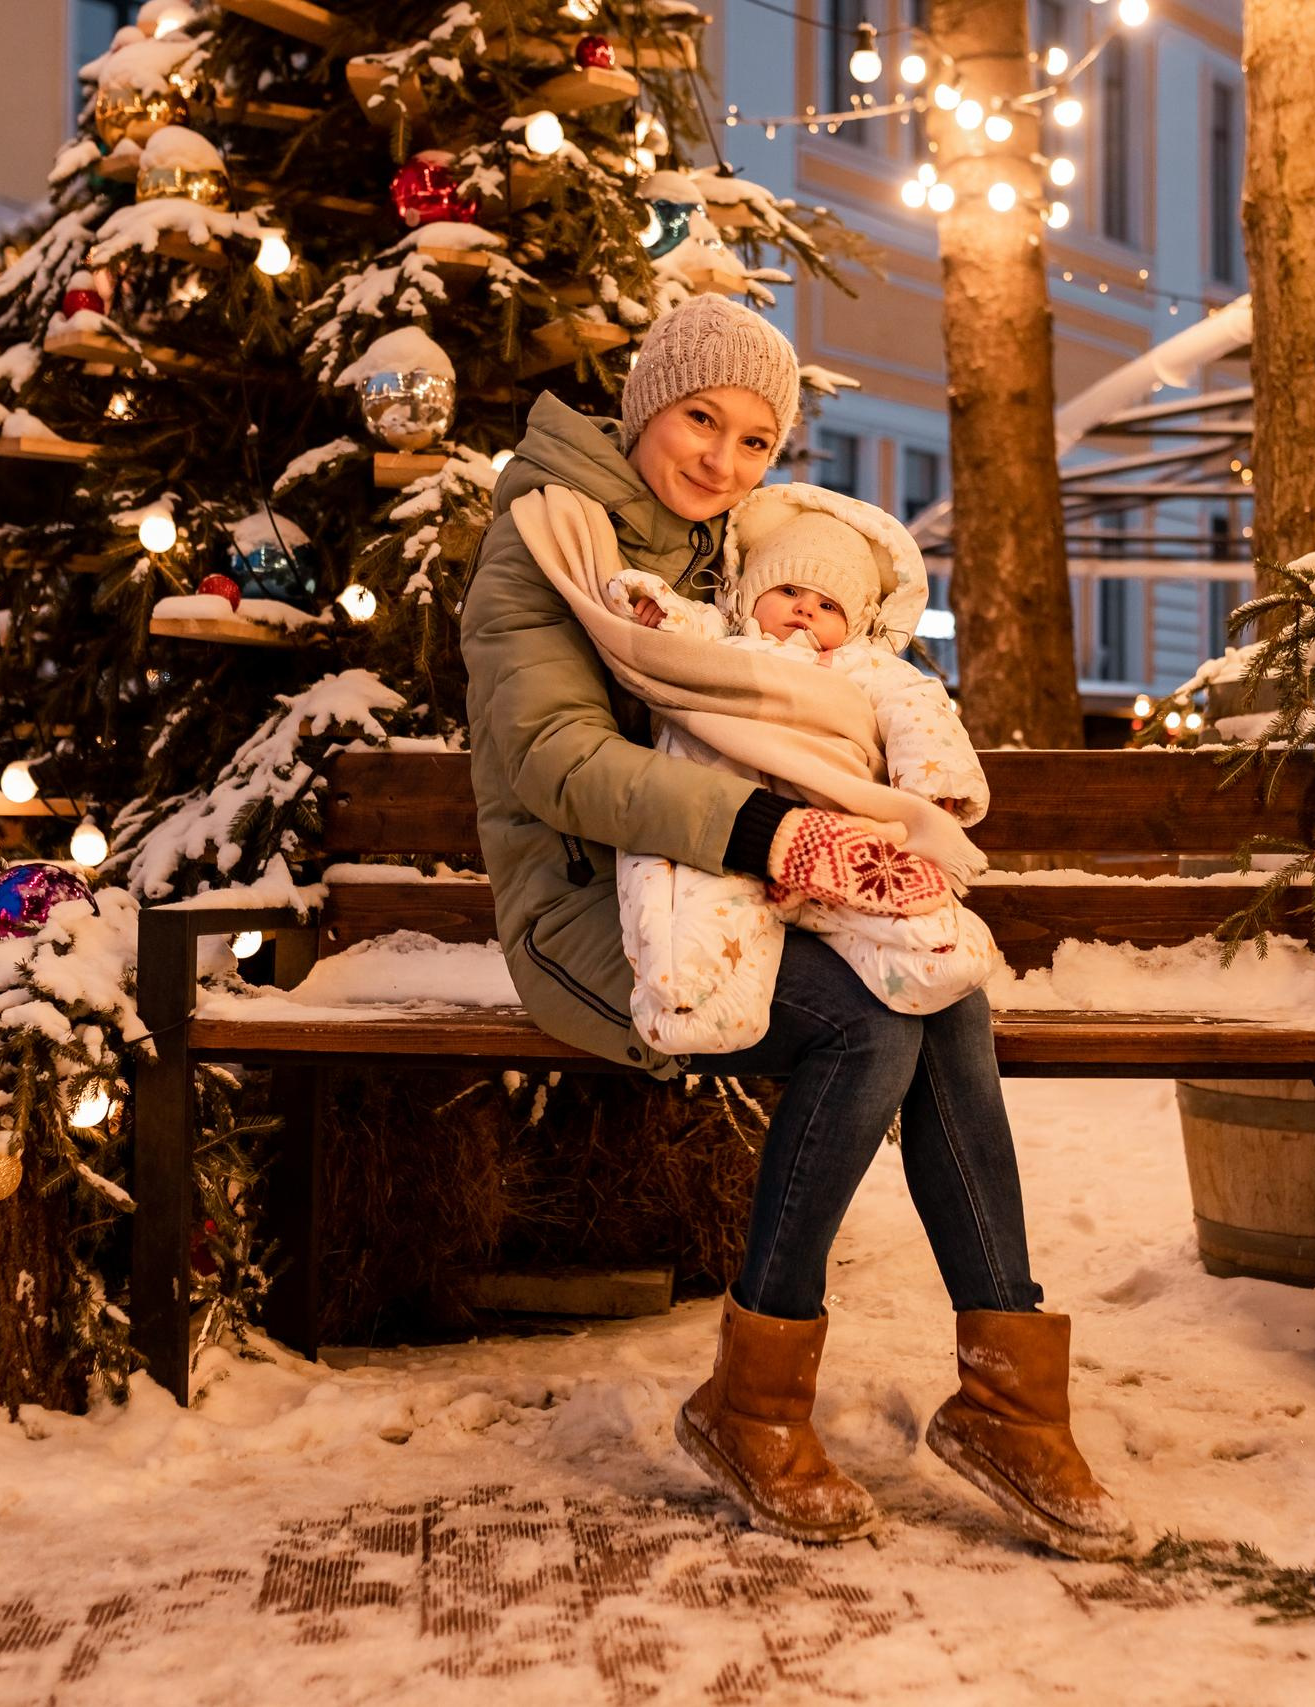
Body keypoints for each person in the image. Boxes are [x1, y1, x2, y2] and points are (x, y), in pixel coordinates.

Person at [459, 293, 1130, 1560]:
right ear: (650, 399)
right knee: (862, 1033)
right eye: (702, 418)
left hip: (736, 887)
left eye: (757, 439)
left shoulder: (723, 554)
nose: (721, 457)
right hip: (591, 914)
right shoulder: (549, 540)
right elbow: (554, 760)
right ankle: (752, 1405)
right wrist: (776, 837)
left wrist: (860, 828)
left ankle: (1007, 1397)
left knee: (941, 990)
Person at [576, 480, 1001, 1057]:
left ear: (852, 625)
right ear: (750, 594)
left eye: (829, 605)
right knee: (690, 905)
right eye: (789, 588)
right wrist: (652, 608)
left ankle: (930, 951)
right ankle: (693, 998)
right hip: (725, 818)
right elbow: (671, 637)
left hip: (833, 832)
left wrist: (934, 782)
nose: (806, 609)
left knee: (907, 915)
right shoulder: (720, 640)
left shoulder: (861, 665)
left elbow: (919, 710)